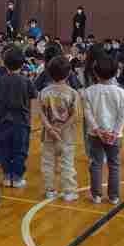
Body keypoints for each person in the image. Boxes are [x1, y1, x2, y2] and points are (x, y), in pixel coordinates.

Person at [83, 55, 124, 204]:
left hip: (94, 135)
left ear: (95, 73)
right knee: (114, 165)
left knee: (96, 164)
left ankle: (96, 195)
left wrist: (97, 130)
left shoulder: (89, 91)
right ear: (116, 73)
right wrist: (115, 132)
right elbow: (123, 115)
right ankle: (114, 196)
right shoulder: (122, 93)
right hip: (115, 136)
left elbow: (87, 114)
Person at [0, 47, 37, 188]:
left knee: (4, 149)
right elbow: (33, 99)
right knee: (20, 150)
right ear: (22, 64)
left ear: (5, 64)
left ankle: (7, 176)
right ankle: (17, 177)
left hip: (3, 120)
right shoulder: (26, 81)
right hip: (21, 121)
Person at [39, 56, 80, 201]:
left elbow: (41, 114)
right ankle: (69, 192)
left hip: (48, 135)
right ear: (69, 73)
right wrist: (61, 128)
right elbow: (75, 115)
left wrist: (50, 128)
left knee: (48, 163)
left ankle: (50, 190)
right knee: (67, 163)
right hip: (66, 135)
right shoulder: (73, 93)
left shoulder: (43, 92)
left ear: (49, 73)